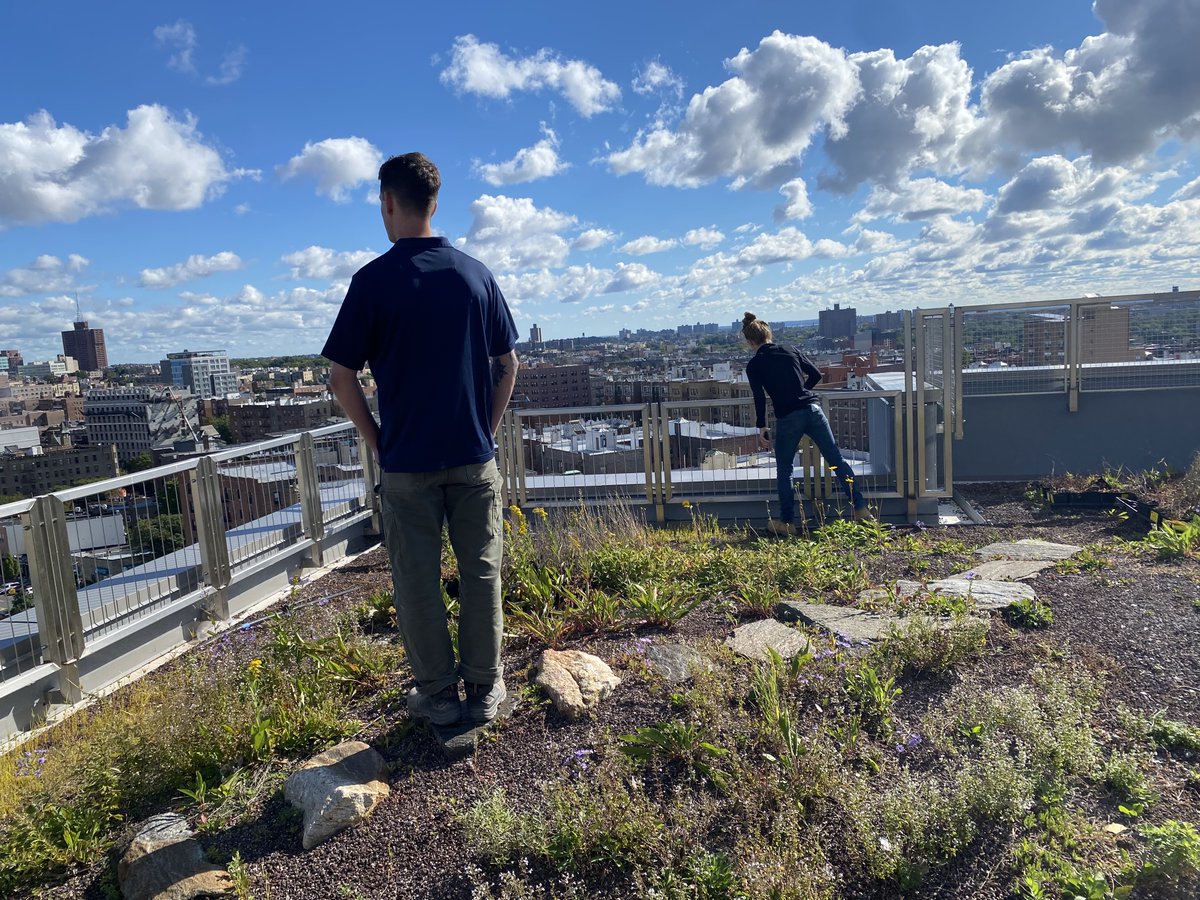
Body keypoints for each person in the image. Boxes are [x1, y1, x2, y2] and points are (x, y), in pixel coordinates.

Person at [323, 153, 519, 727]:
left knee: (417, 580)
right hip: (472, 454)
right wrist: (486, 427)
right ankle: (485, 688)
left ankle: (437, 694)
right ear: (435, 203)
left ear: (389, 202)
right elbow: (508, 365)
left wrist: (377, 438)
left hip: (407, 460)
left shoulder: (372, 282)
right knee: (482, 571)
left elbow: (341, 376)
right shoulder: (475, 274)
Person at [742, 312, 870, 535]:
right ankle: (860, 508)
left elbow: (759, 396)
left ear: (750, 341)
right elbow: (816, 374)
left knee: (785, 470)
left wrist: (761, 425)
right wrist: (802, 391)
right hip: (813, 410)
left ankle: (787, 523)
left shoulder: (755, 365)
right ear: (768, 334)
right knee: (836, 460)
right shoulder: (790, 349)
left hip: (788, 416)